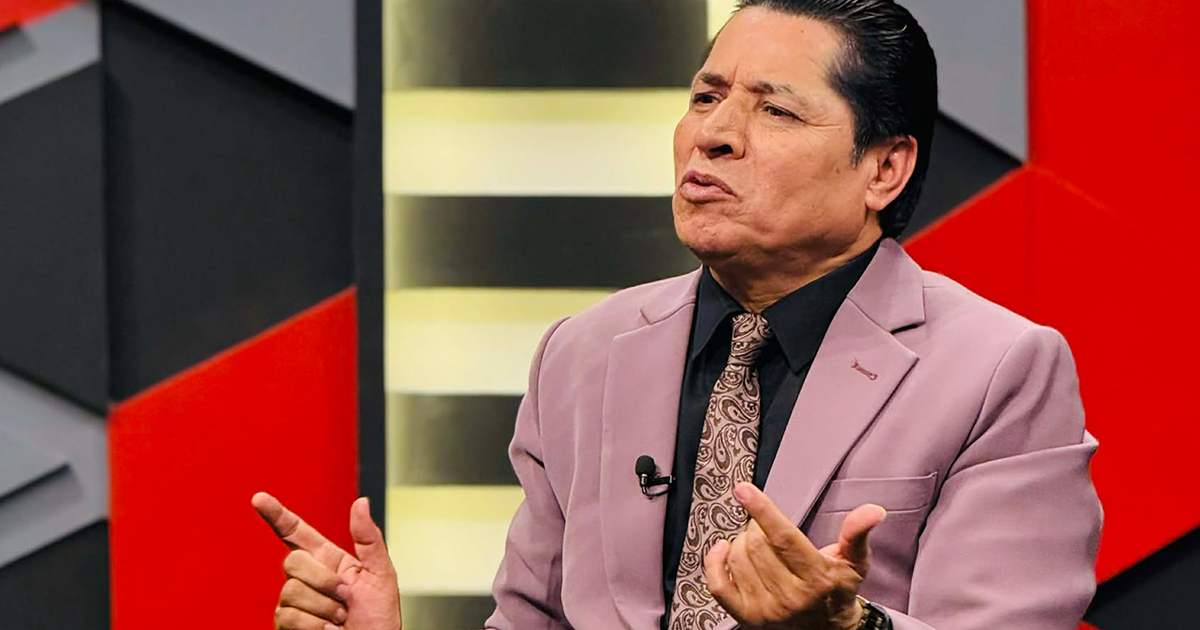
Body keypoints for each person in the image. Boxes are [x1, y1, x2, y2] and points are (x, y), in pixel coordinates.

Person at [253, 1, 1102, 629]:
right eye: (704, 97)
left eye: (775, 109)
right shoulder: (582, 354)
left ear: (884, 168)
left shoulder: (997, 370)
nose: (714, 135)